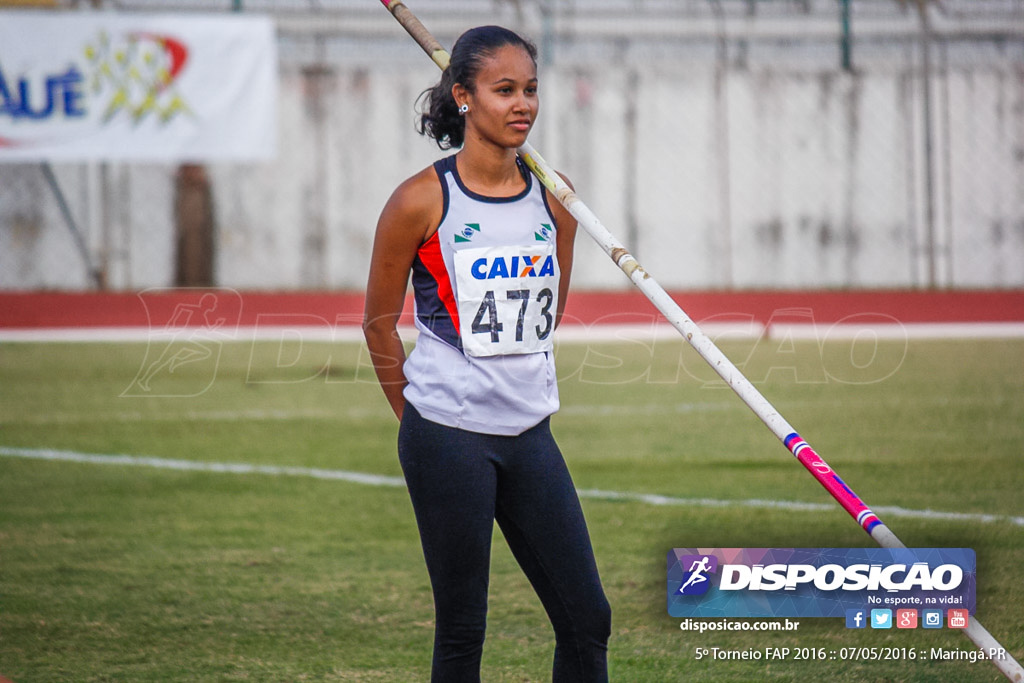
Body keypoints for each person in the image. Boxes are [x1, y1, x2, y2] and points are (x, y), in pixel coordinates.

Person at [363, 25, 611, 683]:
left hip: (531, 433)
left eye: (530, 89)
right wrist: (417, 419)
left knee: (588, 619)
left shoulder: (556, 197)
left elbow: (547, 315)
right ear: (463, 96)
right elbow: (378, 326)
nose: (523, 103)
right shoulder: (420, 200)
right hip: (448, 437)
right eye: (504, 90)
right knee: (463, 633)